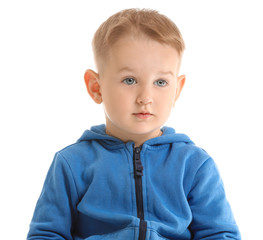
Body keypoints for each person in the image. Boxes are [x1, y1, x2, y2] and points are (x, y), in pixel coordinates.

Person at [27, 8, 241, 240]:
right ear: (96, 87)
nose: (145, 97)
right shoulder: (71, 164)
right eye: (129, 80)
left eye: (160, 82)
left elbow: (220, 234)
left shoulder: (195, 165)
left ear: (177, 90)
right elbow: (46, 234)